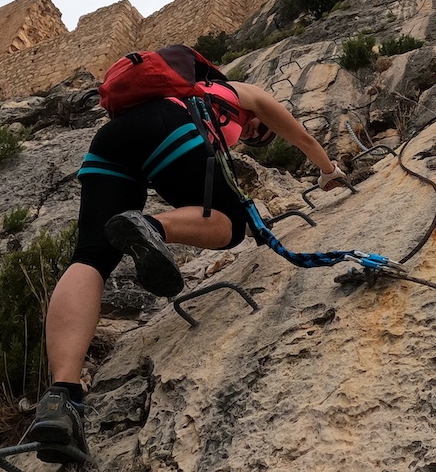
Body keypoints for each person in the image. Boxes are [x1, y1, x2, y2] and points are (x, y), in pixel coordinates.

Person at [24, 77, 346, 461]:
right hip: (169, 124)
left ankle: (62, 397)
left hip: (111, 140)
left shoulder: (183, 88)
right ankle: (153, 227)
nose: (246, 135)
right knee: (227, 222)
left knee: (91, 256)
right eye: (253, 133)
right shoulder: (245, 94)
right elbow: (304, 139)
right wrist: (328, 171)